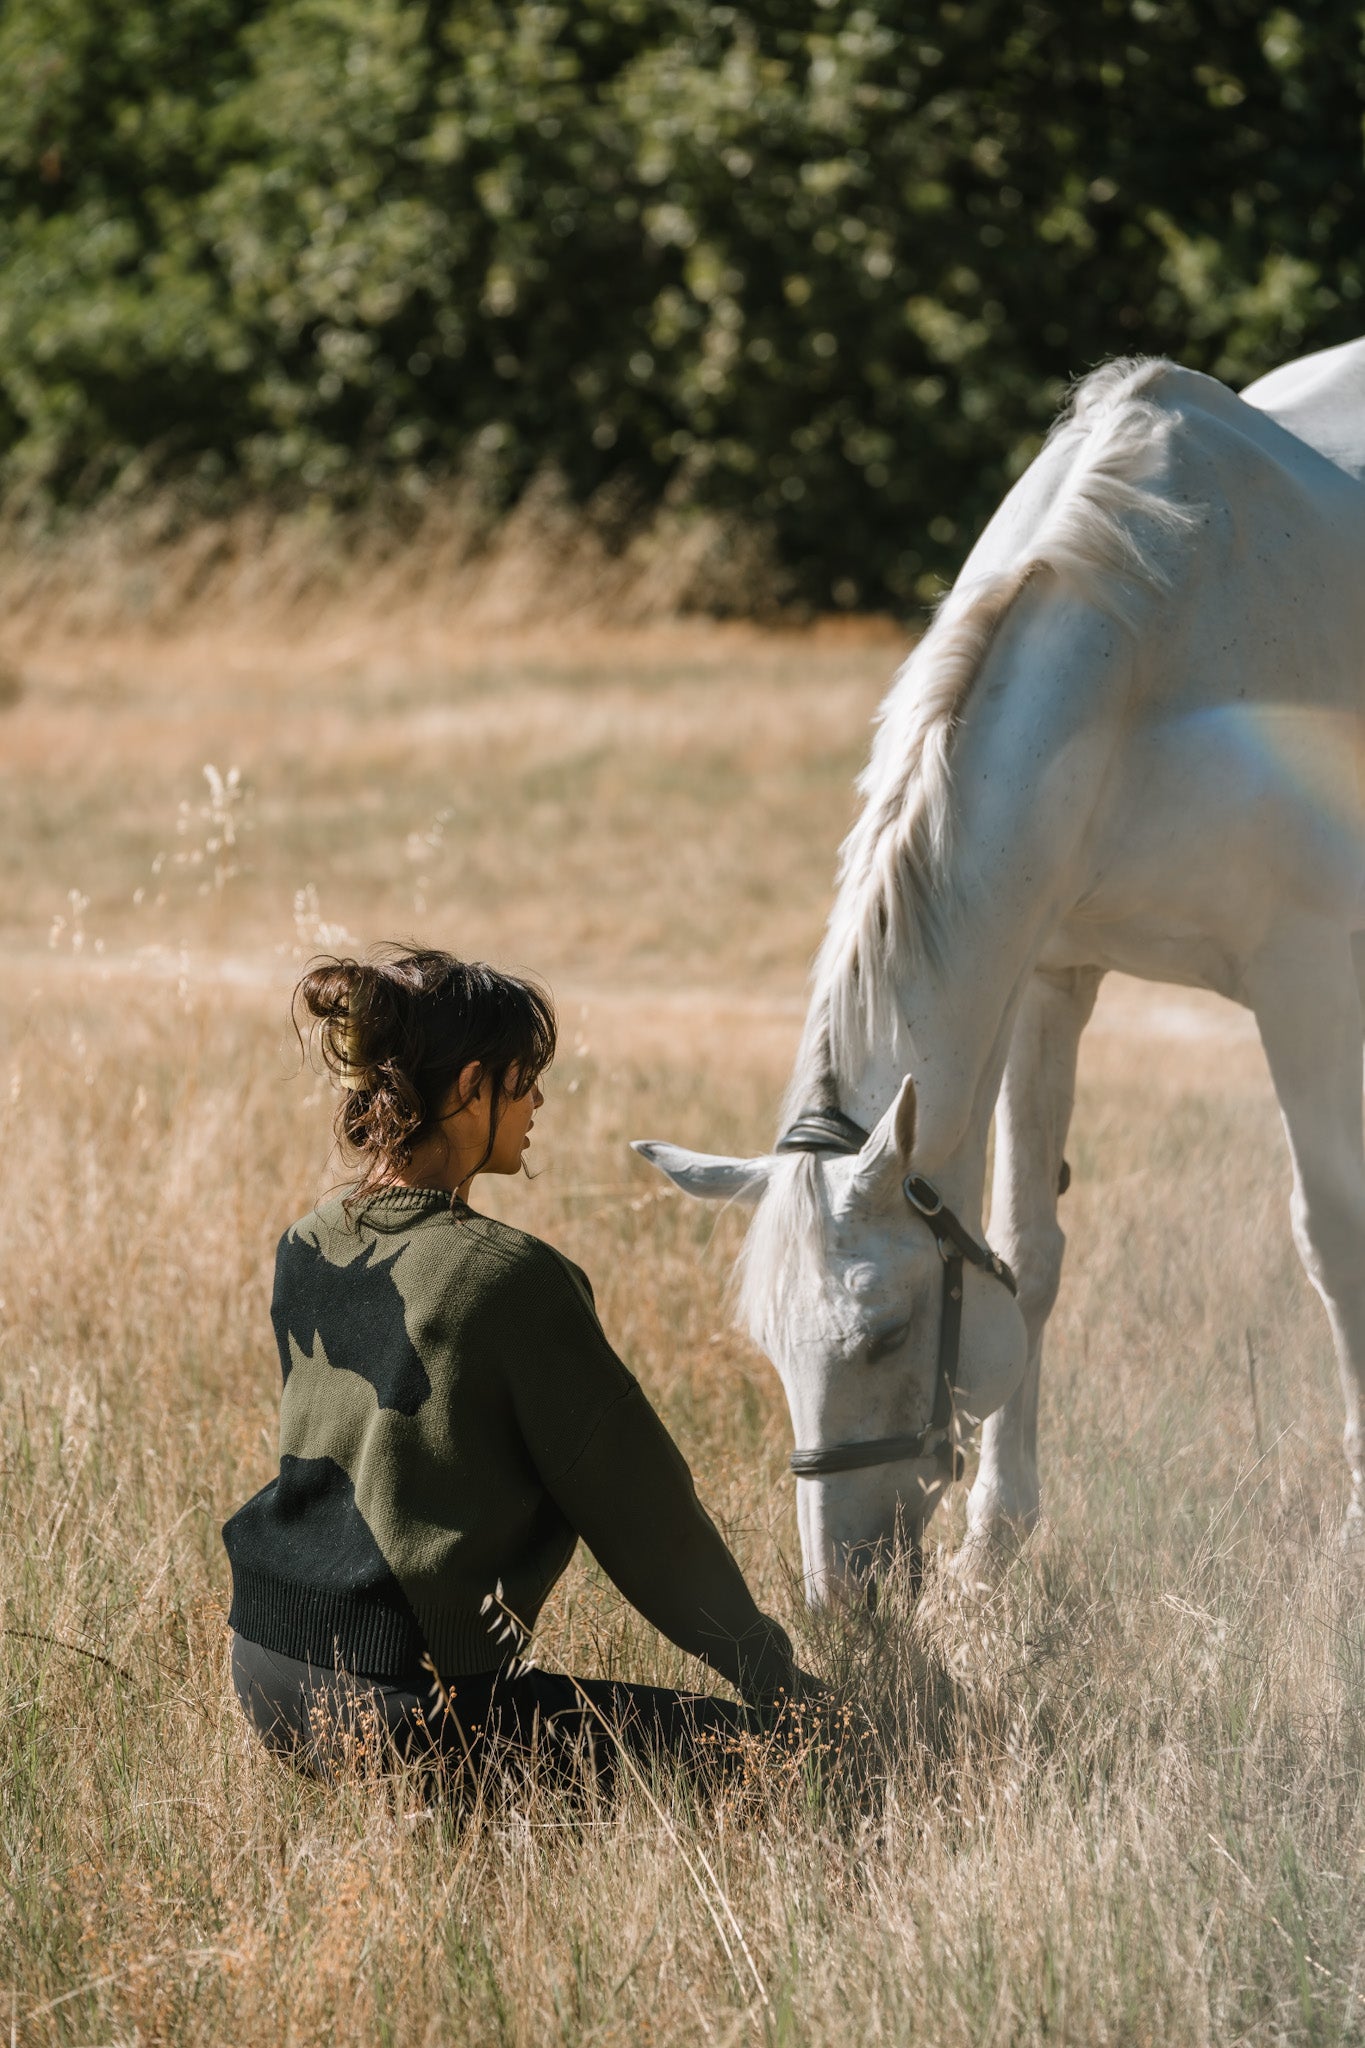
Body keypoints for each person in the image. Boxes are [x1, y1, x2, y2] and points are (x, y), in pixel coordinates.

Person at [223, 944, 812, 1786]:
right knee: (794, 1766)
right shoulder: (510, 1279)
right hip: (406, 1707)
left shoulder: (308, 1239)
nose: (537, 1102)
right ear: (470, 1089)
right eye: (523, 1079)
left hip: (264, 1670)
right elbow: (648, 1522)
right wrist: (778, 1683)